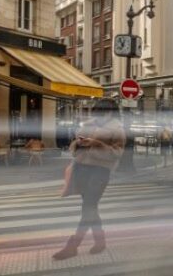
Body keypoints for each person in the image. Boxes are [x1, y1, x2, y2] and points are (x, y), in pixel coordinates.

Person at [53, 99, 125, 260]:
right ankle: (100, 242)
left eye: (103, 111)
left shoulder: (117, 129)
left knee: (89, 207)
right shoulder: (88, 125)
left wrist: (96, 143)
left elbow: (117, 153)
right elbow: (73, 146)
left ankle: (72, 246)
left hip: (100, 171)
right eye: (97, 111)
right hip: (81, 168)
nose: (100, 114)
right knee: (90, 208)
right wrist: (78, 143)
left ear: (111, 112)